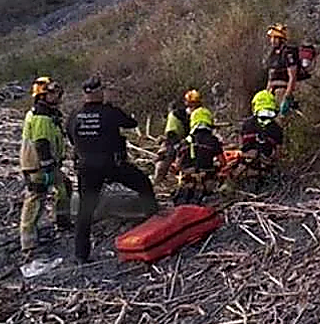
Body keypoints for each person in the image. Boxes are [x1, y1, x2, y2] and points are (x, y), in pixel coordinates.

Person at [66, 76, 157, 264]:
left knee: (85, 210)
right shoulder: (109, 112)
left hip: (86, 167)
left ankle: (80, 254)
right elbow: (131, 124)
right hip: (111, 164)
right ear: (99, 92)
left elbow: (70, 137)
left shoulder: (75, 115)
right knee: (143, 184)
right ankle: (155, 224)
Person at [18, 77, 72, 259]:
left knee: (64, 187)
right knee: (35, 199)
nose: (57, 96)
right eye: (53, 93)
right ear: (42, 95)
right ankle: (28, 242)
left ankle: (62, 222)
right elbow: (41, 143)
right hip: (38, 166)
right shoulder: (41, 117)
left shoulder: (48, 114)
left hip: (46, 164)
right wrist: (48, 166)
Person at [233, 89, 285, 187]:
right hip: (266, 167)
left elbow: (241, 144)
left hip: (247, 166)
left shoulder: (247, 124)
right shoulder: (277, 128)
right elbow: (278, 153)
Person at [174, 106, 224, 204]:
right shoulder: (213, 141)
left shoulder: (185, 142)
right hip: (206, 183)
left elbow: (177, 166)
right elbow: (223, 162)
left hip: (186, 184)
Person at [154, 88, 203, 183]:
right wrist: (177, 143)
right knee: (164, 160)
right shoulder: (176, 115)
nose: (194, 106)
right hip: (174, 141)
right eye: (192, 103)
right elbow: (171, 132)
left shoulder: (200, 115)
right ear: (187, 103)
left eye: (196, 104)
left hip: (192, 143)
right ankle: (157, 181)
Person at [265, 23, 300, 115]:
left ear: (281, 39)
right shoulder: (272, 54)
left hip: (282, 91)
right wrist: (266, 94)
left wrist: (287, 97)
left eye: (275, 38)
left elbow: (292, 76)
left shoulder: (288, 53)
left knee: (280, 121)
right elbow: (271, 76)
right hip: (272, 91)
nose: (272, 41)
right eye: (271, 38)